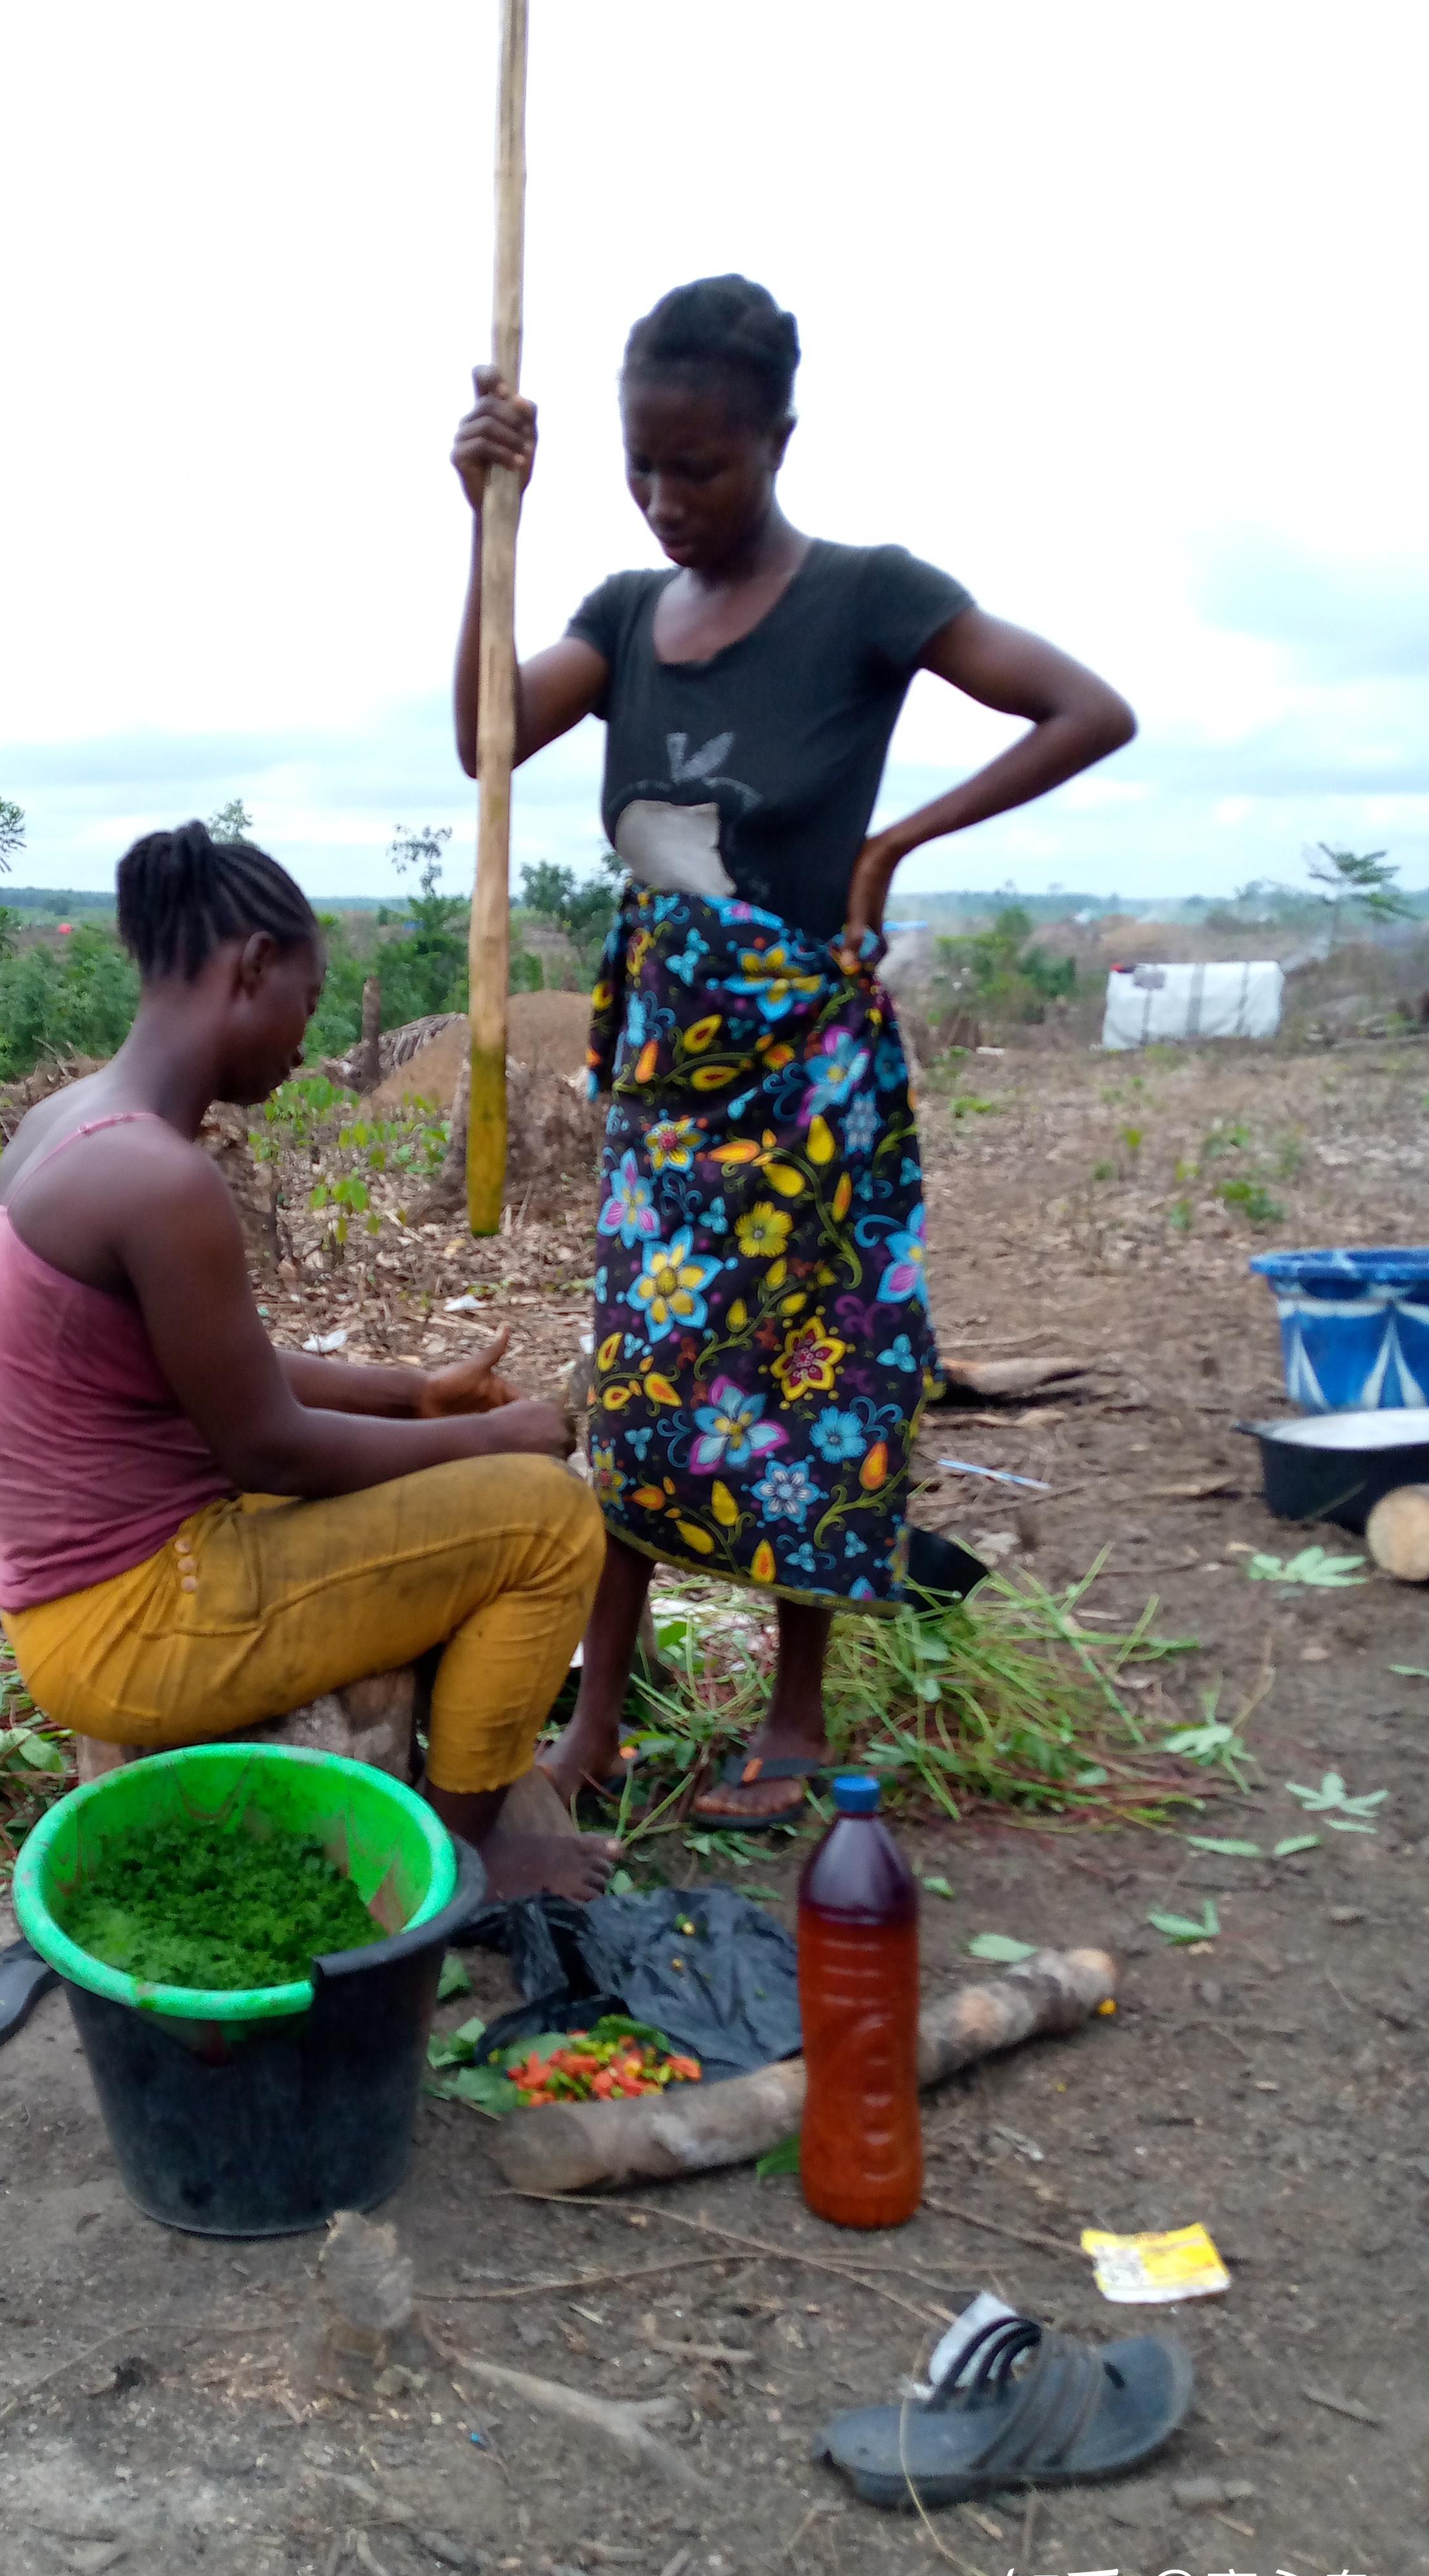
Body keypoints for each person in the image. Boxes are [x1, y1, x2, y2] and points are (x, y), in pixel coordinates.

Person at [450, 273, 1136, 1824]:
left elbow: (1087, 710)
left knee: (815, 1383)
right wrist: (490, 518)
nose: (668, 498)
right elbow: (484, 733)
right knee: (636, 1386)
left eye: (703, 466)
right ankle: (599, 1721)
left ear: (779, 440)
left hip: (811, 1078)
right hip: (668, 1092)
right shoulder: (626, 616)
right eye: (642, 466)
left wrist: (896, 845)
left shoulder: (867, 597)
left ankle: (800, 1717)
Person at [0, 819, 615, 1900]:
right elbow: (269, 1446)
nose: (306, 1045)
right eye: (307, 1006)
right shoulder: (159, 1180)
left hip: (78, 1601)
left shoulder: (70, 1125)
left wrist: (415, 1396)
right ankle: (468, 1857)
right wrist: (489, 1434)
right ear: (253, 967)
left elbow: (229, 1366)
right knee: (549, 1519)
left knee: (464, 1480)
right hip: (141, 1620)